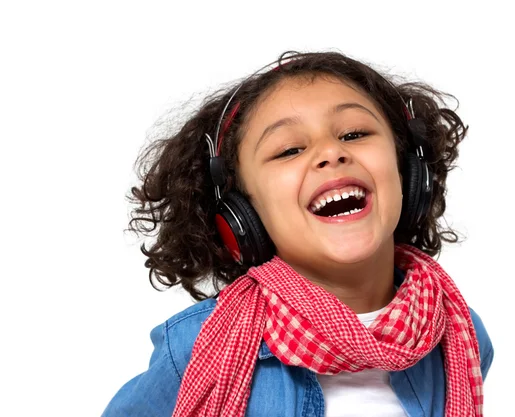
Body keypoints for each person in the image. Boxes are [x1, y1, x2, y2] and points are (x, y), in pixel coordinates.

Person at [102, 51, 494, 417]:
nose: (331, 153)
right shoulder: (197, 347)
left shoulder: (457, 334)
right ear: (241, 214)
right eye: (288, 150)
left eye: (355, 134)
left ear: (410, 174)